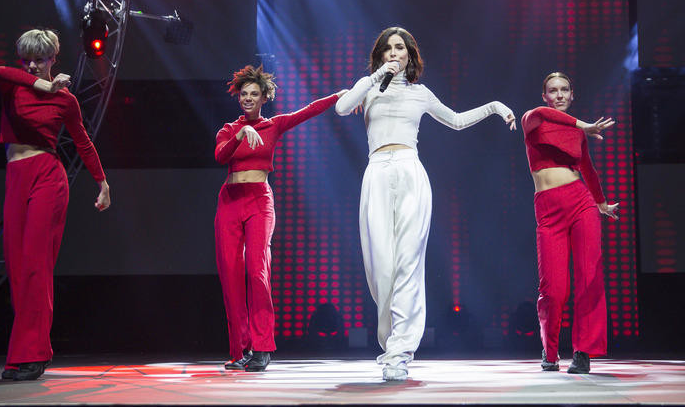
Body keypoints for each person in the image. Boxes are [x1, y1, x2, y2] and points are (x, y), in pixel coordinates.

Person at [335, 26, 516, 381]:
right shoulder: (367, 87)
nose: (393, 54)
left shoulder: (420, 93)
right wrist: (374, 78)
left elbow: (457, 121)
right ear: (380, 55)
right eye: (387, 49)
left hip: (410, 174)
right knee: (381, 268)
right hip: (376, 174)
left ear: (410, 54)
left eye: (399, 48)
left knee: (407, 264)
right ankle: (390, 340)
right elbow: (342, 108)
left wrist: (496, 107)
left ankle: (399, 352)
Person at [0, 29, 111, 381]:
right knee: (17, 268)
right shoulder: (13, 86)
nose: (32, 65)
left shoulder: (66, 100)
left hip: (47, 177)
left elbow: (83, 142)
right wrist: (42, 84)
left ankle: (31, 354)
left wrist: (103, 183)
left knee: (35, 266)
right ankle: (25, 352)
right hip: (16, 178)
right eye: (27, 59)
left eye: (40, 59)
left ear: (53, 59)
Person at [214, 64, 344, 372]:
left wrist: (340, 96)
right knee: (231, 276)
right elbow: (220, 156)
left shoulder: (274, 125)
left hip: (259, 200)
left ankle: (262, 347)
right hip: (230, 202)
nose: (247, 98)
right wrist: (240, 134)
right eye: (243, 94)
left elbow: (308, 111)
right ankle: (240, 350)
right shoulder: (228, 129)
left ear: (264, 98)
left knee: (257, 270)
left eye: (253, 94)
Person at [521, 71, 618, 374]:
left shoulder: (578, 134)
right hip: (548, 210)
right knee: (554, 290)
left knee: (589, 277)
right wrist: (583, 124)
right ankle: (550, 352)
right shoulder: (533, 119)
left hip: (580, 203)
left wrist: (601, 203)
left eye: (565, 90)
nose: (560, 95)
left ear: (572, 95)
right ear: (545, 96)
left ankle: (583, 352)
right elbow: (540, 113)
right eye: (553, 90)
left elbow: (587, 169)